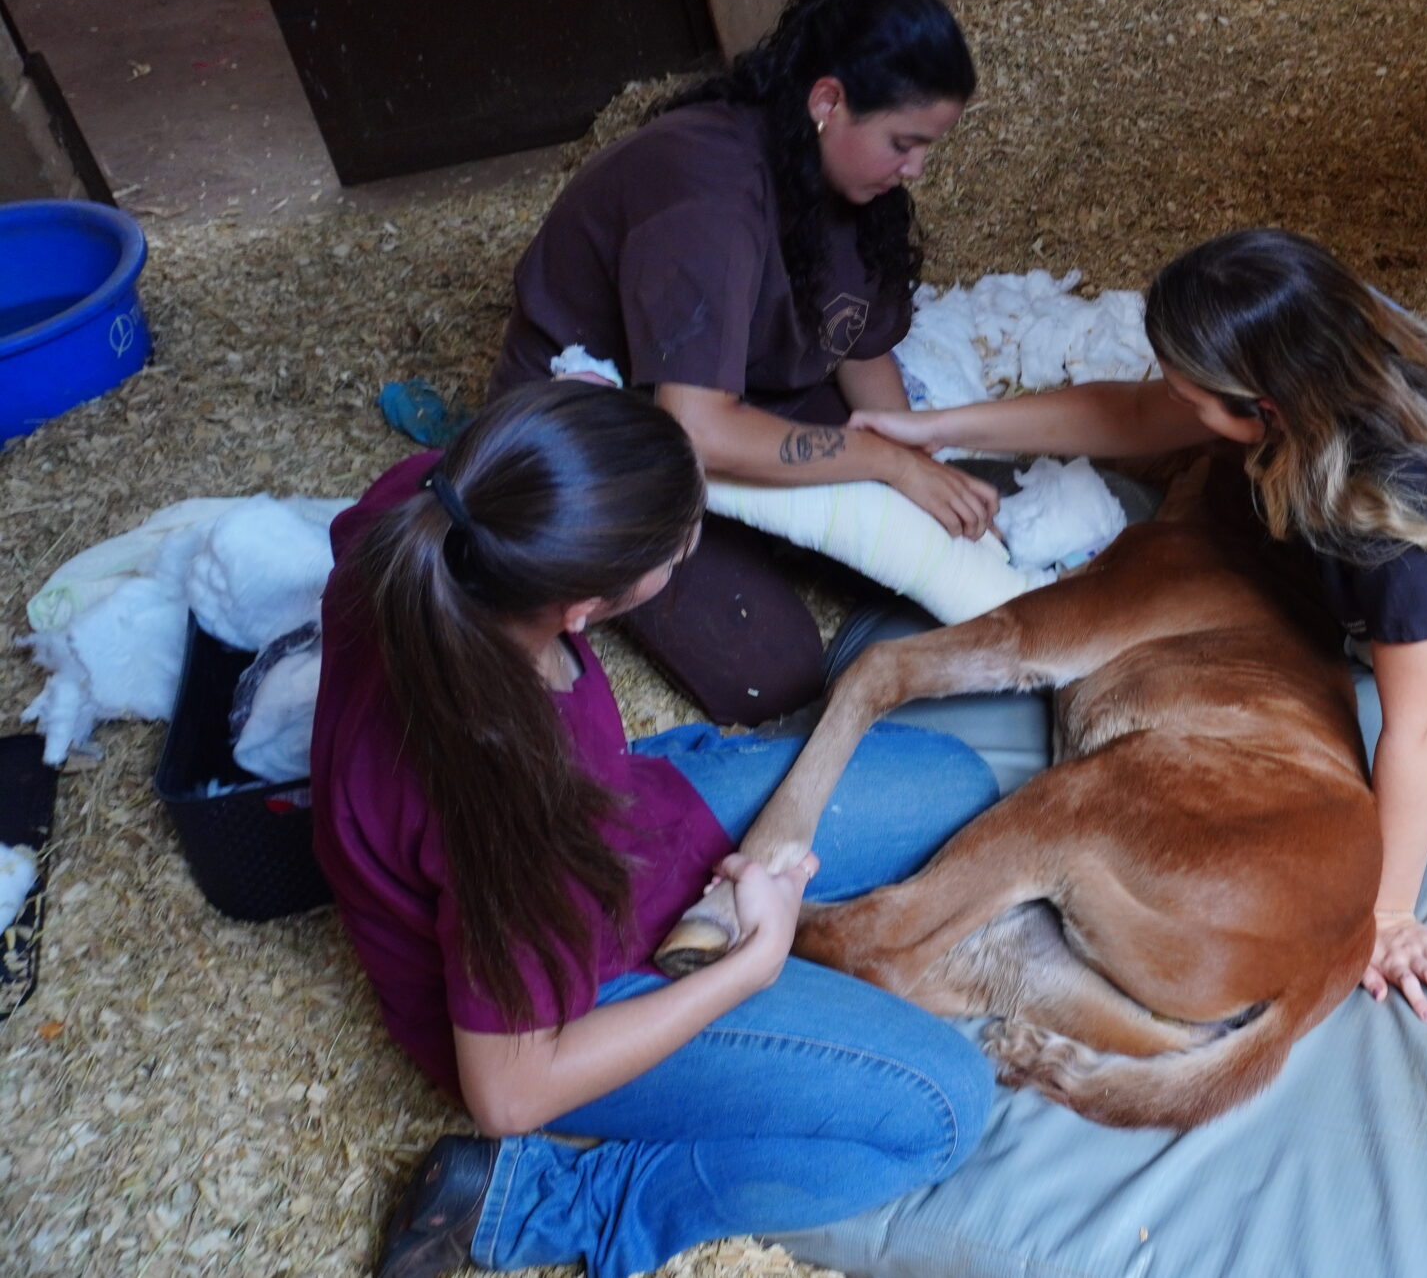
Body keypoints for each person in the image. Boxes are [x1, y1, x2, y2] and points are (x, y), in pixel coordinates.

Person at [852, 228, 1427, 1025]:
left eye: (1191, 396)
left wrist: (1389, 914)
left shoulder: (1403, 546)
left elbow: (1420, 728)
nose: (1170, 400)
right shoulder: (1330, 330)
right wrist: (938, 429)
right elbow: (1136, 412)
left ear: (1263, 411)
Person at [310, 381, 1001, 1278]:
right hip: (565, 977)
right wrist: (754, 963)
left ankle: (668, 783)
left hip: (620, 813)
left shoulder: (435, 507)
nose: (688, 544)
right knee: (945, 1107)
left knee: (958, 783)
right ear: (580, 608)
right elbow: (510, 1094)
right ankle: (546, 1202)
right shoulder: (514, 806)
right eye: (675, 549)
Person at [490, 0, 999, 725]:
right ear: (827, 101)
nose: (916, 169)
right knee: (775, 672)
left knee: (948, 531)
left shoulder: (851, 182)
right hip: (609, 427)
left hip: (743, 390)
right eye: (903, 143)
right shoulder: (708, 188)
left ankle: (764, 524)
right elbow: (693, 428)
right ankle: (723, 540)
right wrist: (886, 463)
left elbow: (857, 346)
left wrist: (918, 463)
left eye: (927, 146)